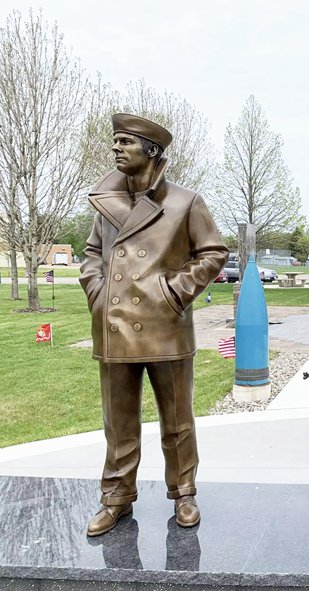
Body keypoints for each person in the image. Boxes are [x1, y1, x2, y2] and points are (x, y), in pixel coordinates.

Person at [79, 113, 228, 536]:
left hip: (166, 325)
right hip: (114, 328)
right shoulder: (104, 203)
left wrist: (173, 293)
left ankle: (184, 493)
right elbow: (92, 253)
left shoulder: (185, 201)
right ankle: (116, 499)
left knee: (177, 422)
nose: (115, 148)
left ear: (152, 151)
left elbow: (213, 253)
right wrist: (97, 291)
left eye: (125, 141)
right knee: (118, 423)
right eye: (115, 142)